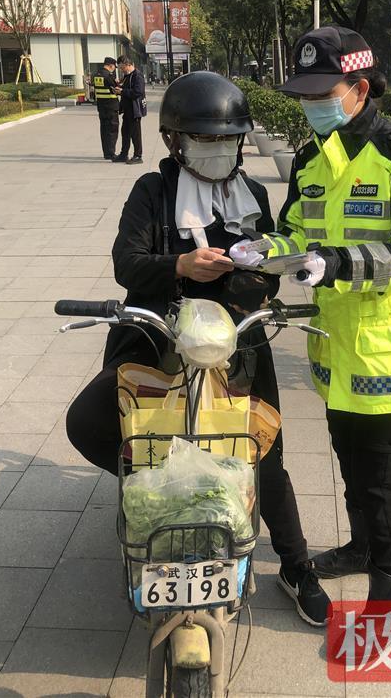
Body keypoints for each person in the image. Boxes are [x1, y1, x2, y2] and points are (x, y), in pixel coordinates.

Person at [65, 71, 330, 626]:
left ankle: (295, 565)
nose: (218, 149)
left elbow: (271, 266)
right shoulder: (153, 192)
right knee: (91, 422)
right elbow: (127, 264)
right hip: (156, 338)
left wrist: (254, 278)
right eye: (205, 139)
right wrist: (180, 265)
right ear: (174, 140)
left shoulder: (254, 194)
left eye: (229, 139)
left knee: (262, 451)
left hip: (237, 342)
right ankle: (160, 498)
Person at [231, 27, 391, 602]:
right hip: (337, 348)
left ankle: (390, 596)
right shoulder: (310, 158)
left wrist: (333, 263)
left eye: (321, 93)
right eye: (304, 94)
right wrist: (264, 250)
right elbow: (297, 233)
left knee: (380, 481)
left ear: (359, 88)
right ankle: (362, 548)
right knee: (351, 463)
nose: (310, 105)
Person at [113, 56, 146, 164]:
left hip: (135, 110)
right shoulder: (128, 76)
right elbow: (127, 89)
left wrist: (122, 91)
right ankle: (124, 154)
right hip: (127, 110)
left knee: (135, 134)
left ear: (128, 65)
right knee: (125, 133)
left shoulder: (137, 76)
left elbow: (138, 92)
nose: (121, 70)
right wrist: (119, 89)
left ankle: (138, 156)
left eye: (122, 68)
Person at [93, 57, 121, 160]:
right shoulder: (108, 76)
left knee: (104, 130)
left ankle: (106, 152)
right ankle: (111, 153)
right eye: (114, 67)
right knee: (112, 130)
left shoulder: (96, 75)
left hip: (101, 107)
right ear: (111, 65)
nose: (114, 69)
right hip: (111, 107)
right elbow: (116, 88)